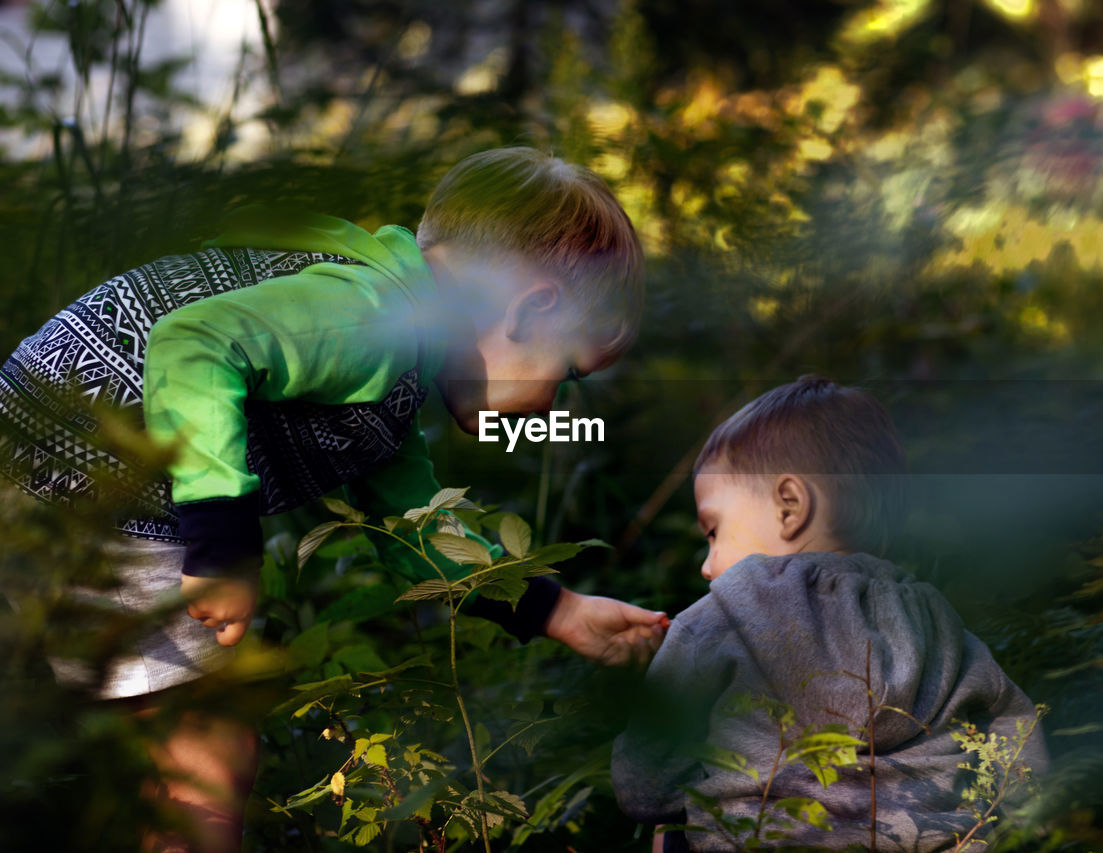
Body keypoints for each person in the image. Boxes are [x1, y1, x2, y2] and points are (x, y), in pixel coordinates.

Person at [0, 146, 667, 852]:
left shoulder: (391, 372)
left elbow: (416, 525)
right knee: (203, 759)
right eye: (565, 373)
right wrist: (221, 541)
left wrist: (556, 609)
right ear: (534, 309)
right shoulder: (372, 318)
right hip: (78, 479)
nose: (550, 402)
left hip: (50, 472)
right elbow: (193, 344)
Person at [611, 377, 1048, 852]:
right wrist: (1034, 824)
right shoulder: (935, 620)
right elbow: (1016, 733)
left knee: (671, 826)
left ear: (790, 507)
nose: (707, 562)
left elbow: (643, 784)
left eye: (714, 530)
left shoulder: (719, 618)